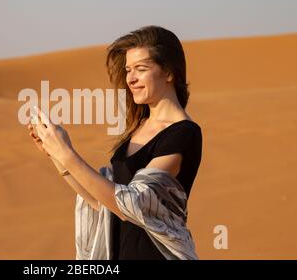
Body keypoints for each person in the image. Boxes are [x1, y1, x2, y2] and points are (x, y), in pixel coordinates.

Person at [27, 25, 202, 260]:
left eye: (141, 69)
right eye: (129, 69)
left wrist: (67, 153)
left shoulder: (183, 134)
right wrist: (57, 155)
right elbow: (104, 204)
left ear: (169, 72)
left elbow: (134, 204)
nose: (131, 78)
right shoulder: (138, 128)